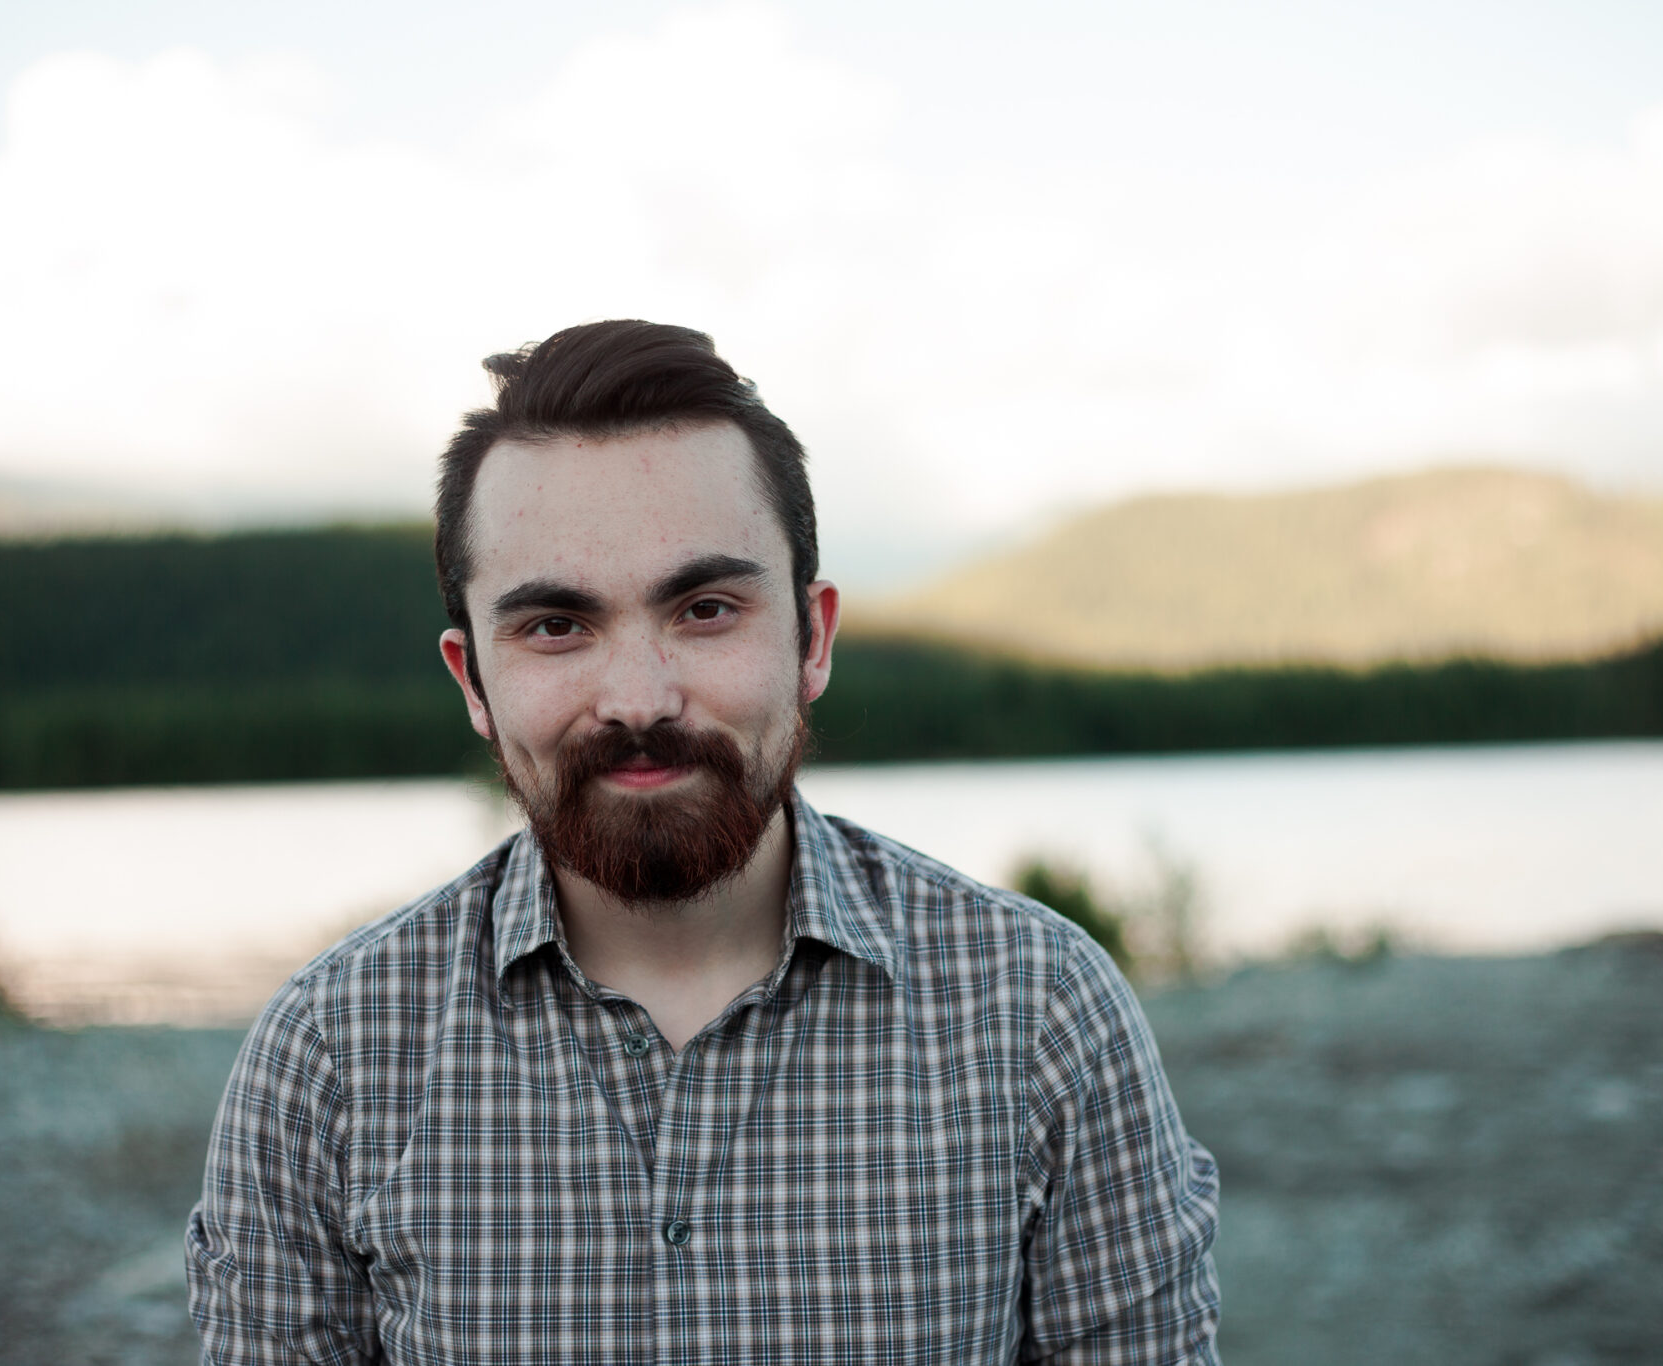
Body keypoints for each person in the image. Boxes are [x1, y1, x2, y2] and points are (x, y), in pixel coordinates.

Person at [186, 320, 1221, 1362]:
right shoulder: (329, 1058)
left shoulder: (1039, 1012)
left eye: (706, 608)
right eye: (555, 625)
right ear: (471, 681)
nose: (638, 699)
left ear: (810, 638)